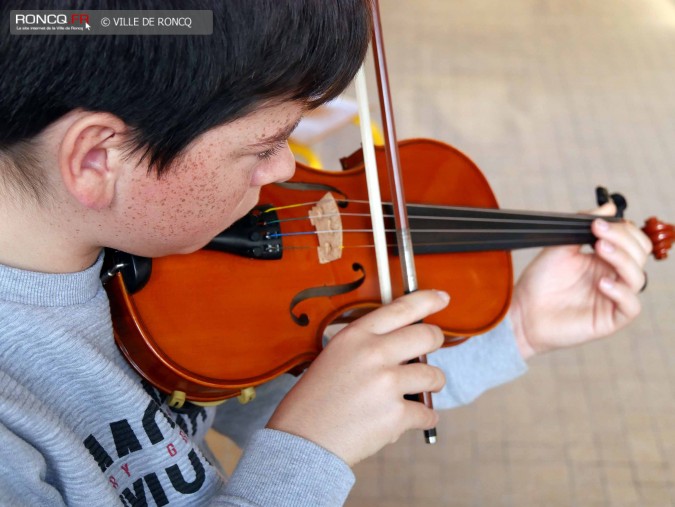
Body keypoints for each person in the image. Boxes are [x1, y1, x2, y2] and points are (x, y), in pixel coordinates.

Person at [0, 1, 652, 505]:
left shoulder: (151, 250)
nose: (288, 171)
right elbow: (304, 427)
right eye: (262, 147)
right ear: (95, 159)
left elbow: (286, 391)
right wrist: (308, 451)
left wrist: (518, 326)